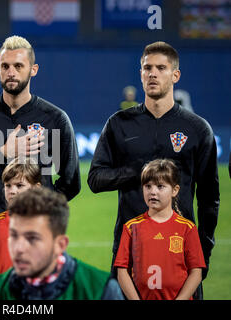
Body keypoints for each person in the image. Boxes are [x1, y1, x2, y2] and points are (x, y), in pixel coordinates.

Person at [0, 35, 81, 299]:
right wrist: (2, 153)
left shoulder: (54, 119)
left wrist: (40, 213)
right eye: (5, 66)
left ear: (33, 69)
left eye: (18, 66)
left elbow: (71, 182)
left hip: (36, 236)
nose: (11, 72)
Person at [87, 42, 219, 299]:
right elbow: (95, 179)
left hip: (181, 254)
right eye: (147, 68)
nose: (152, 73)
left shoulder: (197, 129)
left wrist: (204, 250)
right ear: (140, 74)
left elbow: (209, 198)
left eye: (161, 68)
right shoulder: (119, 124)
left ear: (175, 75)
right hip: (130, 253)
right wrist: (136, 171)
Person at [0, 187, 123, 300]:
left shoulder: (100, 290)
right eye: (14, 236)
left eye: (32, 238)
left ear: (60, 244)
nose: (19, 248)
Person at [114, 159, 205, 300]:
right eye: (148, 186)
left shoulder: (187, 228)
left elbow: (196, 272)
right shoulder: (131, 227)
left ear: (175, 190)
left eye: (160, 186)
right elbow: (122, 272)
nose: (153, 192)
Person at [0, 157, 41, 285]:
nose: (12, 191)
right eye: (8, 185)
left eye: (19, 185)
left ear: (36, 188)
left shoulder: (44, 224)